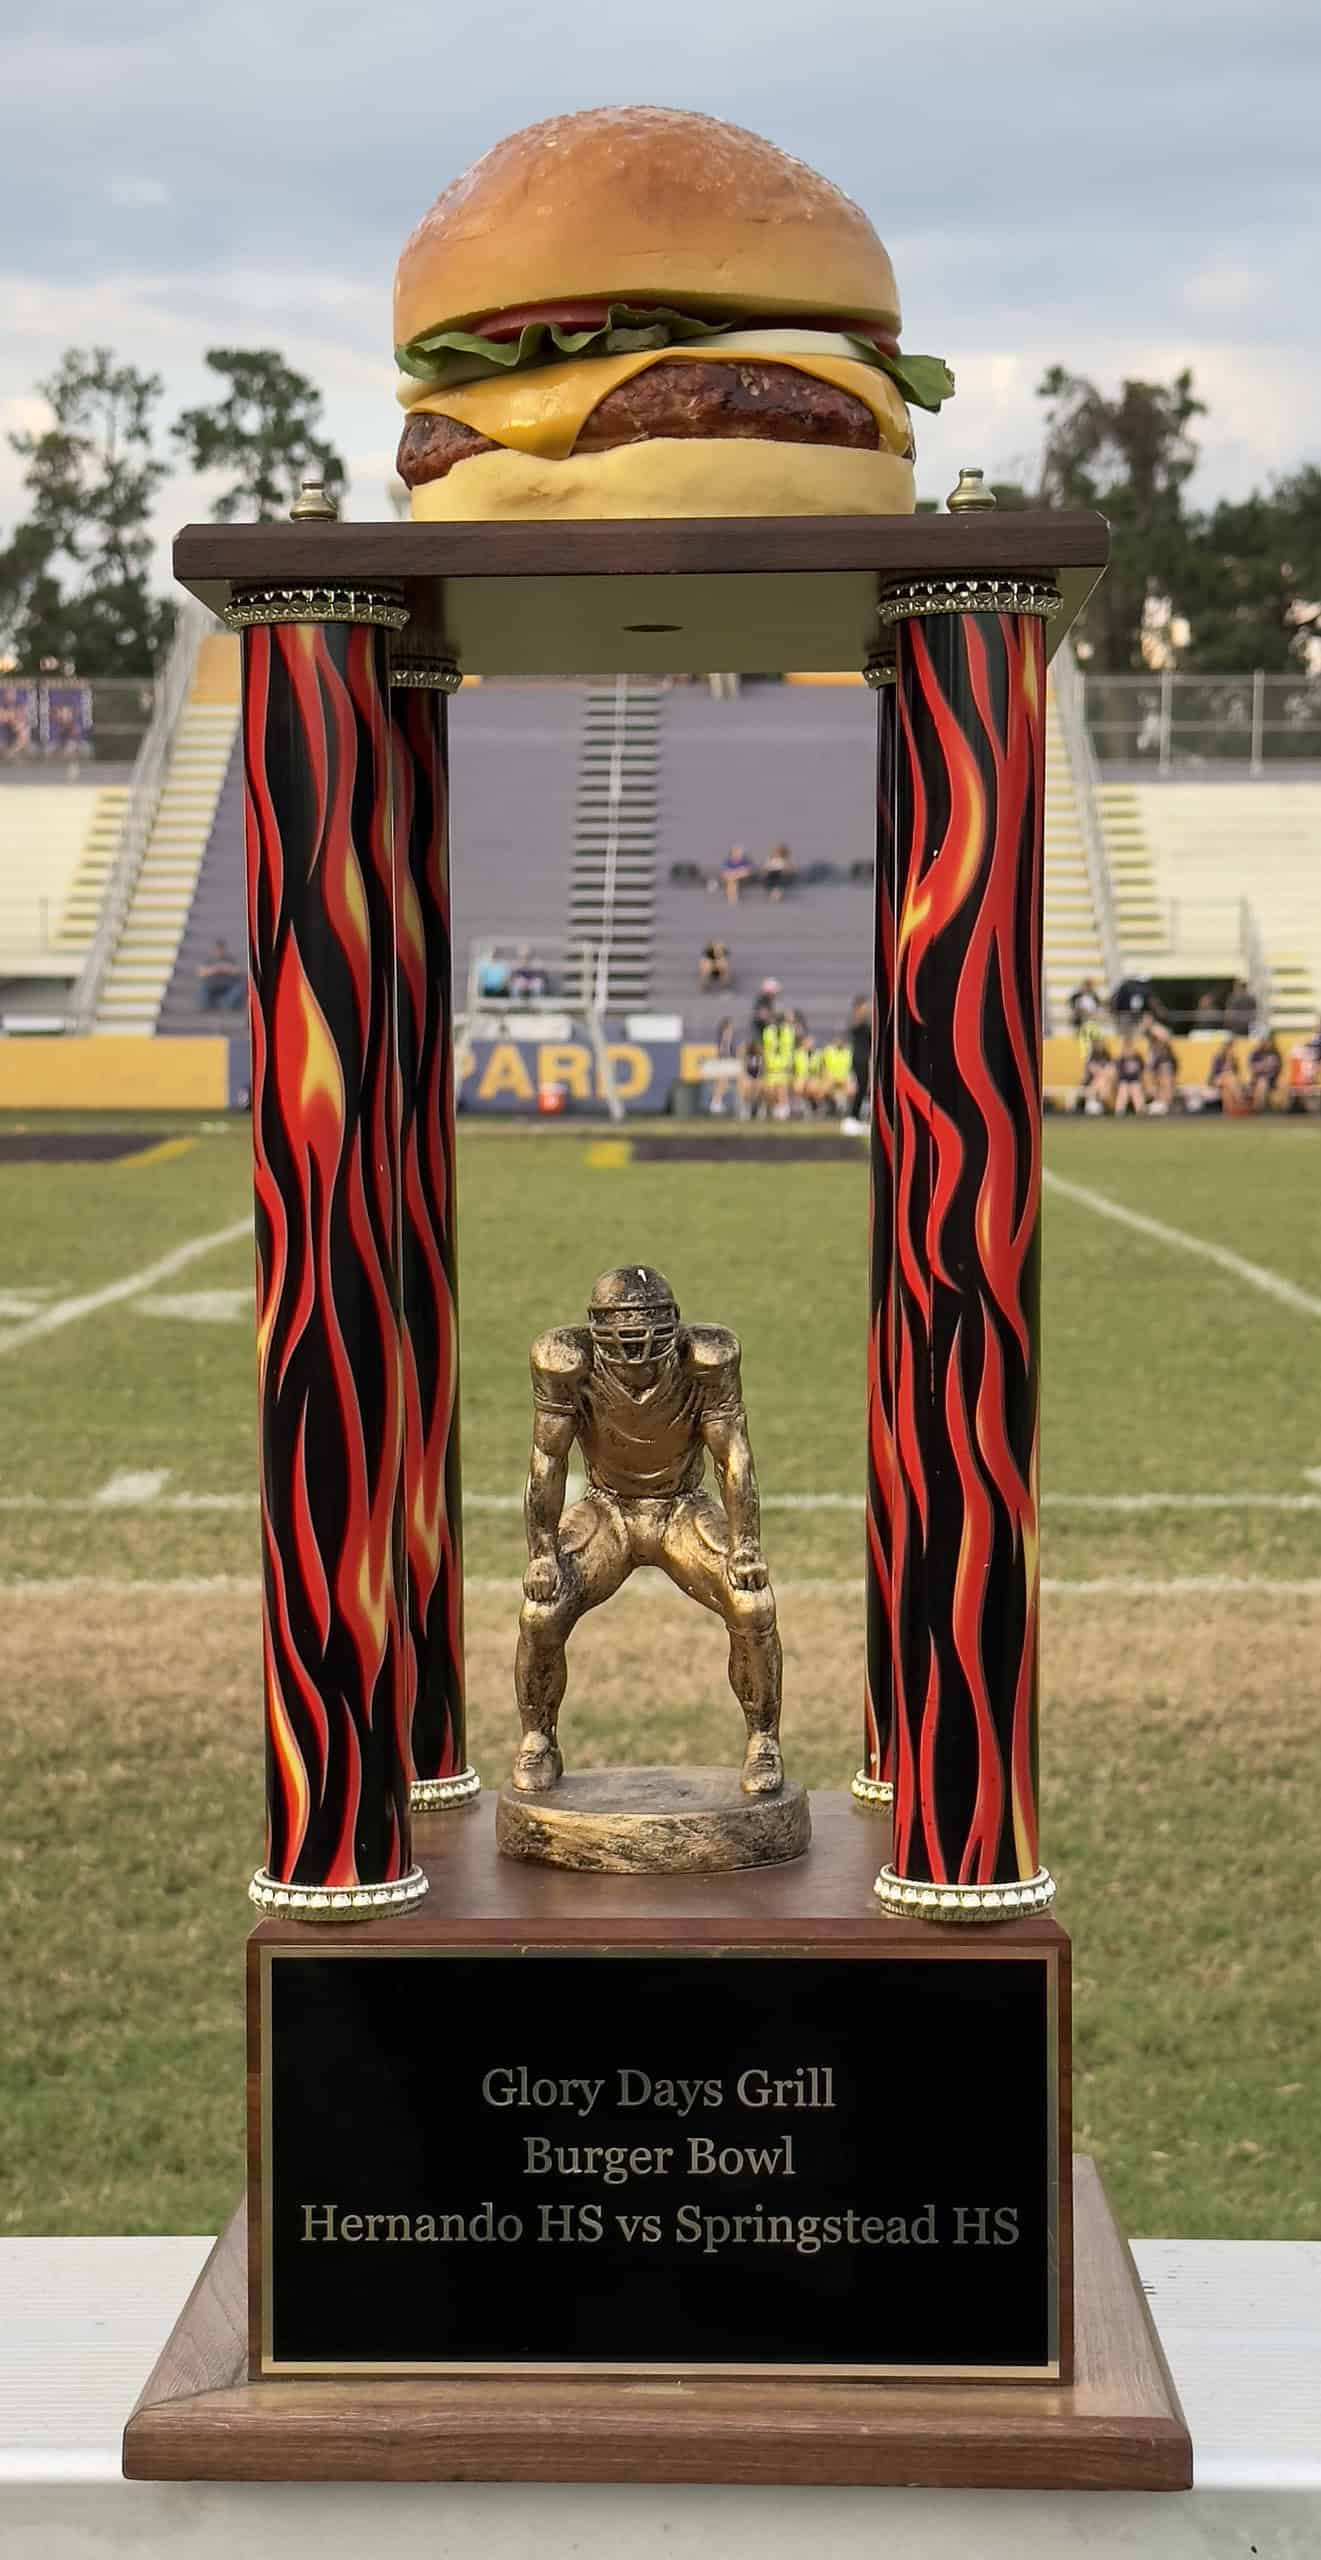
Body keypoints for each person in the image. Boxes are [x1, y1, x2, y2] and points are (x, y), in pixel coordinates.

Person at [841, 994, 871, 1136]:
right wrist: (861, 1012)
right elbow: (853, 1027)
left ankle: (856, 1117)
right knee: (858, 1088)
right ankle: (852, 1117)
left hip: (865, 1058)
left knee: (863, 1087)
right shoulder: (857, 1020)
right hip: (858, 1058)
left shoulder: (866, 1022)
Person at [760, 1012, 796, 1120]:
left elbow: (789, 1049)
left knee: (782, 1087)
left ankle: (783, 1108)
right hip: (771, 1067)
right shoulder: (768, 1032)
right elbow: (766, 1049)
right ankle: (777, 1108)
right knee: (769, 1090)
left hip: (783, 1067)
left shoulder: (788, 1031)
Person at [197, 938, 245, 1013]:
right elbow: (201, 973)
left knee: (239, 988)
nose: (219, 951)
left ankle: (227, 1004)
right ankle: (206, 1007)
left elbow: (238, 971)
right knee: (203, 988)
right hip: (211, 985)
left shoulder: (230, 959)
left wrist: (226, 969)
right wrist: (215, 969)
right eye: (217, 949)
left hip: (228, 985)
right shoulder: (208, 960)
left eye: (221, 949)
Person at [1142, 1016, 1178, 1114]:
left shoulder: (1167, 1055)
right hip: (1156, 1079)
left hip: (1166, 1073)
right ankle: (1160, 1104)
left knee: (1165, 1076)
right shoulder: (1152, 1051)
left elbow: (1166, 1037)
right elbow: (1148, 1068)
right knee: (1150, 1077)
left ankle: (1165, 1104)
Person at [1247, 1032, 1282, 1112]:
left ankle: (1281, 1109)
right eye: (1266, 1041)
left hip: (1273, 1080)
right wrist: (1263, 1066)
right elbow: (1253, 1069)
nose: (1268, 1043)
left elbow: (1279, 1069)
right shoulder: (1256, 1053)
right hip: (1259, 1080)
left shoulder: (1276, 1053)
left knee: (1283, 1084)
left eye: (1270, 1041)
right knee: (1262, 1082)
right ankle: (1258, 1109)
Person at [1077, 1041, 1116, 1114]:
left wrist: (1103, 1073)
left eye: (1101, 1045)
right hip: (1092, 1082)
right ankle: (1097, 1105)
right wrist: (1103, 1073)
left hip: (1104, 1082)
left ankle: (1098, 1105)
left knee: (1103, 1081)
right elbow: (1093, 1070)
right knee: (1101, 1081)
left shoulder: (1107, 1056)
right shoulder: (1092, 1056)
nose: (1100, 1046)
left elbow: (1111, 1070)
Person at [1113, 1042, 1146, 1116]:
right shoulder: (1120, 1060)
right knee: (1123, 1089)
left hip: (1135, 1082)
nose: (1129, 1051)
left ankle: (1140, 1111)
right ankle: (1119, 1112)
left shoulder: (1138, 1059)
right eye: (1127, 1049)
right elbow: (1117, 1075)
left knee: (1136, 1088)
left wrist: (1143, 1083)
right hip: (1123, 1082)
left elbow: (1142, 1073)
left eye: (1130, 1049)